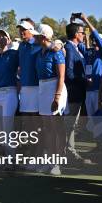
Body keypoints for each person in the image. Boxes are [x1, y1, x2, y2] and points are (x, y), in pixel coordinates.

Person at [63, 13, 100, 163]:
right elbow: (70, 73)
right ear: (75, 34)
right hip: (73, 93)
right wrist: (85, 80)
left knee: (71, 124)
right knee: (69, 124)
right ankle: (69, 153)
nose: (84, 35)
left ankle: (68, 151)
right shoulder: (70, 49)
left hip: (77, 93)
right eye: (82, 32)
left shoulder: (76, 48)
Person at [35, 24, 68, 175]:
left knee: (56, 128)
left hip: (55, 88)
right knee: (47, 128)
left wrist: (57, 96)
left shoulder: (56, 52)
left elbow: (61, 76)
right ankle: (49, 161)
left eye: (36, 35)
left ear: (43, 37)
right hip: (42, 89)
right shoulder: (40, 52)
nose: (34, 37)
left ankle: (58, 163)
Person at [0, 30, 19, 159]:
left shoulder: (14, 54)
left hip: (9, 93)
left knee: (8, 126)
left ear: (9, 40)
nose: (1, 38)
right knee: (0, 128)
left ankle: (11, 158)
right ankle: (6, 155)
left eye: (4, 36)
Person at [17, 19, 41, 115]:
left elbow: (53, 45)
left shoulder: (39, 43)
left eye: (24, 29)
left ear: (30, 30)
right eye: (20, 30)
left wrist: (59, 44)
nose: (21, 32)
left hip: (37, 87)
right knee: (26, 119)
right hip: (24, 86)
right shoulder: (21, 45)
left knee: (36, 119)